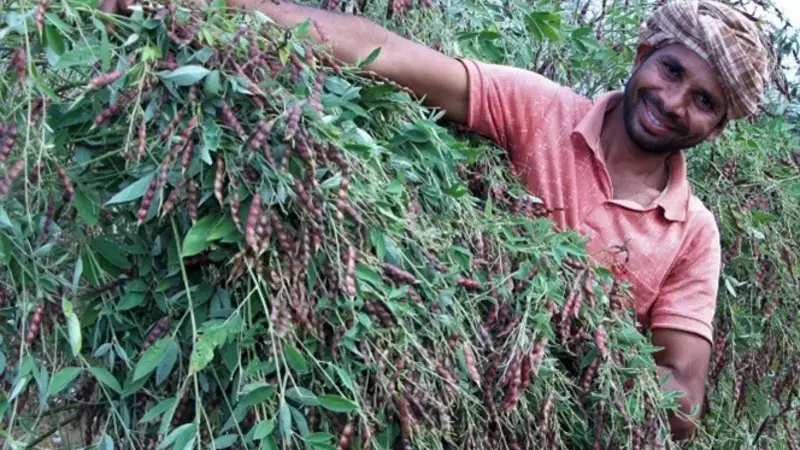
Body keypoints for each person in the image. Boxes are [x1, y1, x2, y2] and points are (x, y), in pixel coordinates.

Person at [103, 0, 771, 440]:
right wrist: (217, 11)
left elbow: (680, 400)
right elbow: (388, 55)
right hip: (418, 407)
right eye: (671, 70)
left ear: (718, 125)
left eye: (704, 100)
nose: (673, 101)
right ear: (642, 55)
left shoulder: (692, 231)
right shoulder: (540, 111)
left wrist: (570, 328)